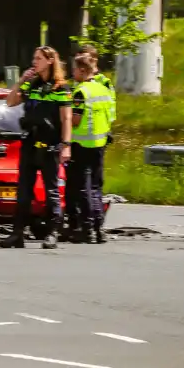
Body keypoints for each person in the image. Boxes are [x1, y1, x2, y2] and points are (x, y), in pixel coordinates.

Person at [0, 46, 73, 250]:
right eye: (34, 58)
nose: (35, 62)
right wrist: (21, 80)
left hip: (49, 145)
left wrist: (66, 146)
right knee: (23, 191)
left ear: (50, 61)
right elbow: (10, 101)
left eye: (38, 58)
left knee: (51, 191)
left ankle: (52, 233)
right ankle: (17, 234)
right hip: (30, 142)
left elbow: (66, 118)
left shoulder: (62, 88)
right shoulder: (32, 85)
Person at [69, 54, 113, 244]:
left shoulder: (80, 92)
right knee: (96, 187)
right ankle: (99, 227)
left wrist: (64, 121)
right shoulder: (103, 89)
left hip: (83, 145)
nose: (72, 73)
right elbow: (110, 116)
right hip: (100, 144)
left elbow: (76, 120)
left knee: (84, 188)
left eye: (74, 69)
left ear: (82, 70)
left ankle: (88, 229)